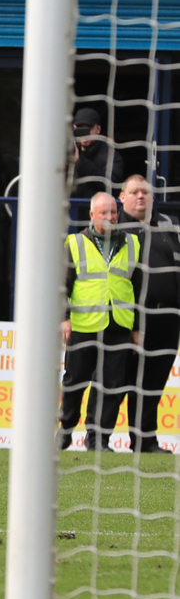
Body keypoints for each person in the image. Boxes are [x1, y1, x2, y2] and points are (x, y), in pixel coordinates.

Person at [58, 192, 141, 452]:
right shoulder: (75, 242)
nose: (109, 217)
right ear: (92, 215)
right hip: (83, 325)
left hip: (118, 326)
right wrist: (64, 319)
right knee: (74, 383)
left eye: (113, 212)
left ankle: (98, 440)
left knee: (111, 387)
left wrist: (137, 327)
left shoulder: (133, 243)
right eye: (103, 212)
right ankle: (65, 432)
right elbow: (62, 286)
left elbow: (139, 288)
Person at [118, 175, 177, 454]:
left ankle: (145, 441)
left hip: (168, 316)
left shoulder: (168, 225)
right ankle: (98, 440)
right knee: (120, 380)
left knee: (154, 383)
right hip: (130, 318)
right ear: (122, 197)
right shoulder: (114, 227)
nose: (141, 197)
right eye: (134, 192)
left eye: (145, 192)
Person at [71, 107, 125, 199]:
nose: (85, 133)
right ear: (74, 128)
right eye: (80, 128)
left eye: (89, 128)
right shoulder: (68, 152)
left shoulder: (111, 155)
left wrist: (80, 161)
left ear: (98, 129)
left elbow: (110, 185)